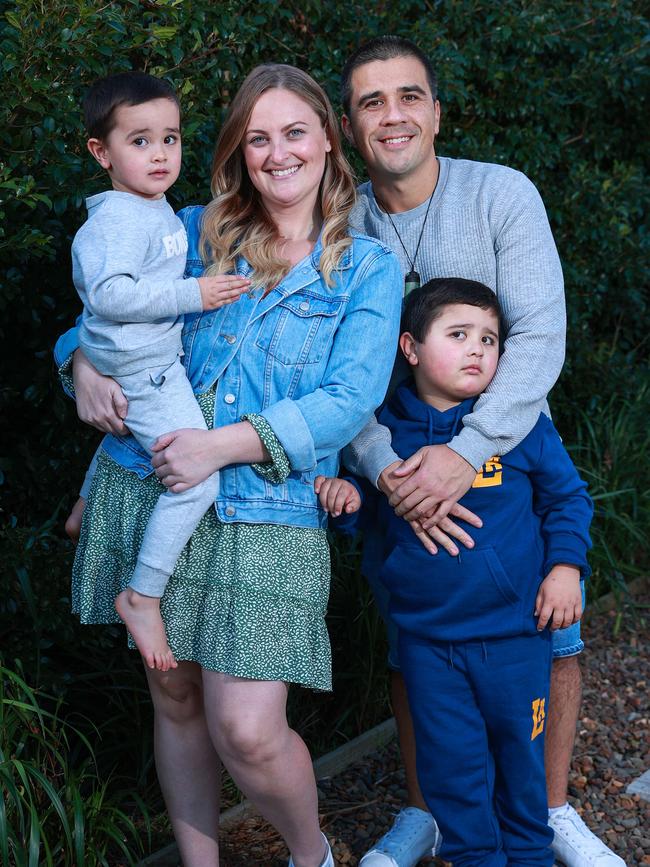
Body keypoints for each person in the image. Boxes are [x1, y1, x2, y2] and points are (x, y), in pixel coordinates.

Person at [55, 63, 401, 867]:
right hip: (153, 481)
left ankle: (310, 854)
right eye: (257, 139)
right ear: (239, 153)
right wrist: (79, 365)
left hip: (267, 505)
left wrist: (223, 444)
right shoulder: (193, 230)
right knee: (174, 696)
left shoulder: (367, 269)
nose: (277, 154)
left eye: (294, 133)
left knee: (245, 726)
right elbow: (103, 308)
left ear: (328, 138)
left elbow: (349, 398)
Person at [339, 36, 625, 867]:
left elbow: (539, 333)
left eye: (408, 96)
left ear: (436, 109)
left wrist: (469, 449)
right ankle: (433, 811)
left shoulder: (500, 192)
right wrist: (381, 467)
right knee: (416, 635)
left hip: (507, 437)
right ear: (353, 126)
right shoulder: (345, 221)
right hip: (396, 460)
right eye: (370, 101)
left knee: (548, 631)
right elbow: (335, 368)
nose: (393, 114)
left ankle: (550, 806)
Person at [317, 277, 593, 866]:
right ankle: (474, 857)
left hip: (514, 635)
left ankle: (530, 856)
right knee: (453, 769)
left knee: (521, 765)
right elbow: (374, 516)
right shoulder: (383, 433)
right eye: (460, 334)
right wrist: (348, 501)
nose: (478, 350)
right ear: (410, 348)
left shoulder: (513, 425)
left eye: (490, 340)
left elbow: (568, 499)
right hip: (427, 641)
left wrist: (565, 568)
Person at [72, 71, 252, 672]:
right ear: (102, 153)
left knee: (128, 427)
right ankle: (143, 595)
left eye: (170, 139)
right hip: (147, 368)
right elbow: (109, 296)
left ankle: (81, 504)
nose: (160, 154)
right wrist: (194, 296)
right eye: (140, 141)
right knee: (196, 477)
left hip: (138, 363)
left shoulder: (151, 210)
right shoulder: (118, 220)